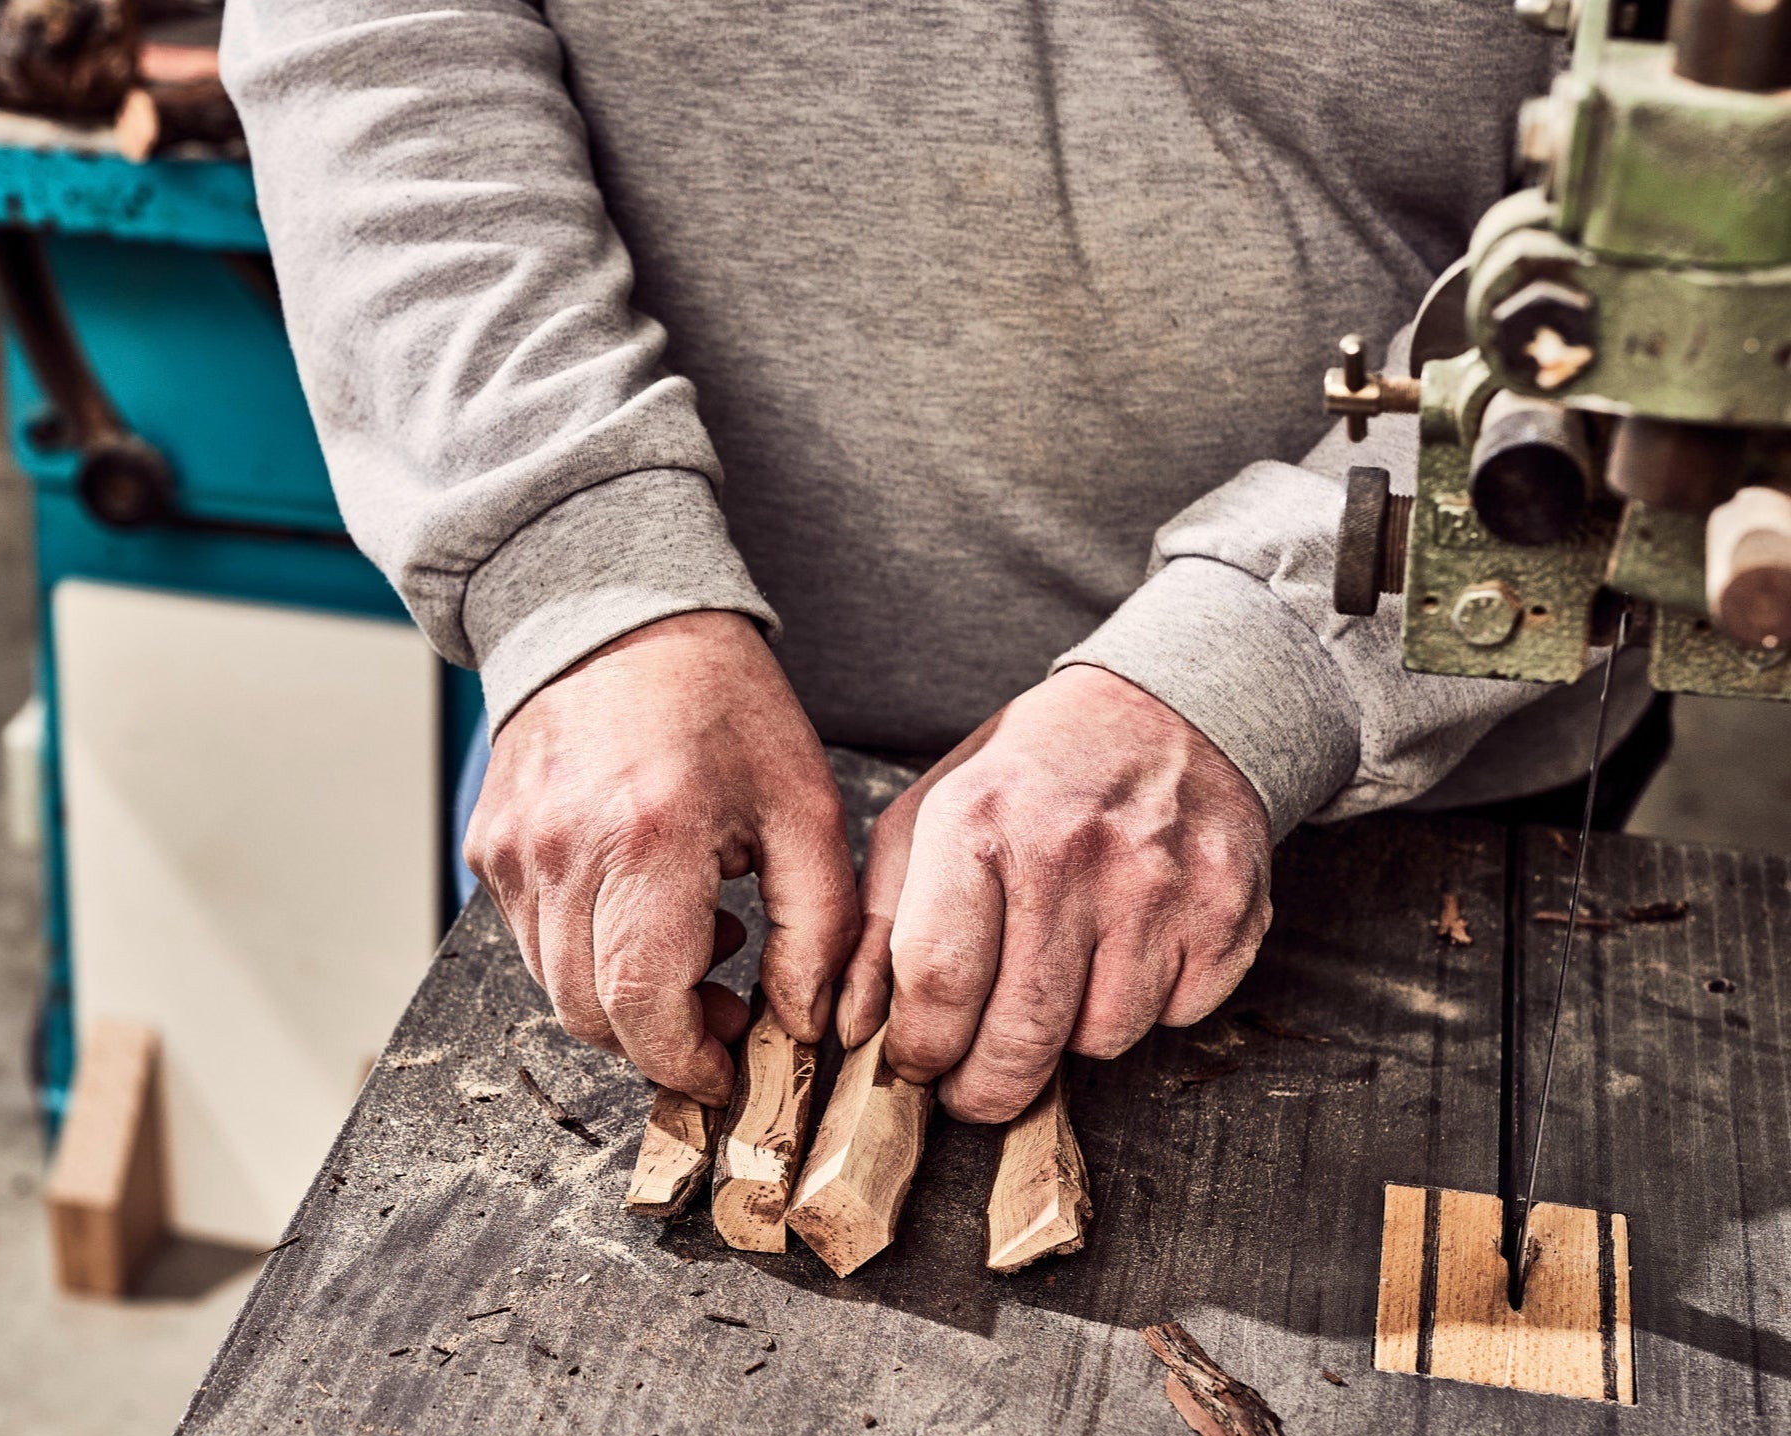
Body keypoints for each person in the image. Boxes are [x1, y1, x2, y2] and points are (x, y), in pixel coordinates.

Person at [220, 1, 1654, 1122]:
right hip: (654, 764)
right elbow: (377, 37)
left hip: (1402, 787)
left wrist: (1267, 667)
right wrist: (579, 571)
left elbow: (1704, 259)